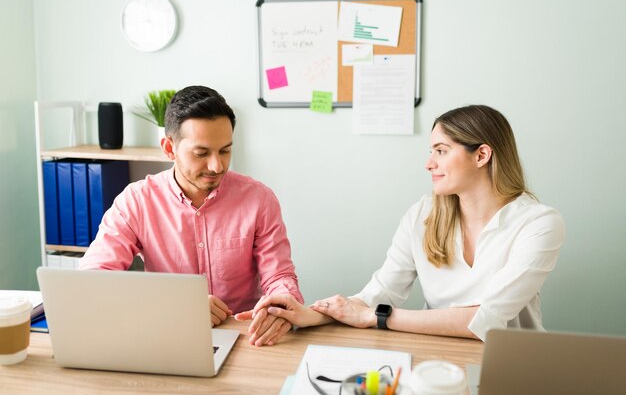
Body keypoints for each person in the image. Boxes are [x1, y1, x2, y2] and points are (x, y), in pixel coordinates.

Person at [239, 105, 565, 345]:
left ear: (481, 155)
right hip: (437, 351)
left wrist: (377, 318)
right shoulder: (423, 214)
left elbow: (486, 320)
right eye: (431, 151)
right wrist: (310, 314)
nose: (429, 164)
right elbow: (381, 292)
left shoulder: (539, 224)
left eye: (441, 151)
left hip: (512, 361)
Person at [80, 85, 303, 345]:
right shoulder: (136, 201)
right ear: (168, 148)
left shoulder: (259, 199)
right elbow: (93, 279)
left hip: (247, 338)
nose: (216, 166)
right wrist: (177, 305)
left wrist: (283, 307)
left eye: (225, 151)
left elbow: (279, 277)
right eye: (201, 153)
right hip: (166, 334)